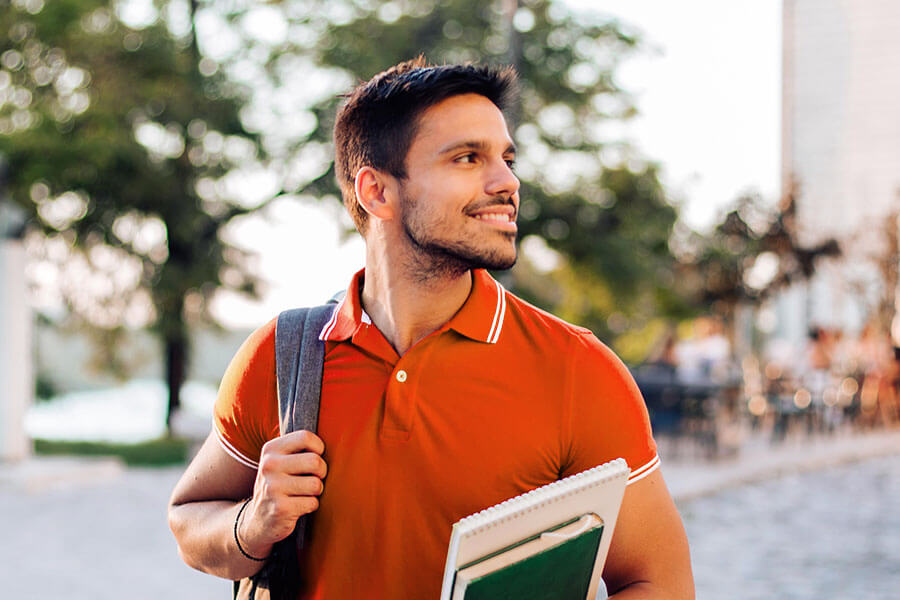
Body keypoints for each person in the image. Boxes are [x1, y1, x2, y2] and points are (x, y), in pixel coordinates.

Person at [168, 58, 694, 599]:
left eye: (507, 159)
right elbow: (190, 520)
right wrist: (254, 524)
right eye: (468, 158)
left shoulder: (578, 370)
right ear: (377, 192)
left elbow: (659, 583)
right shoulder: (281, 356)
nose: (507, 182)